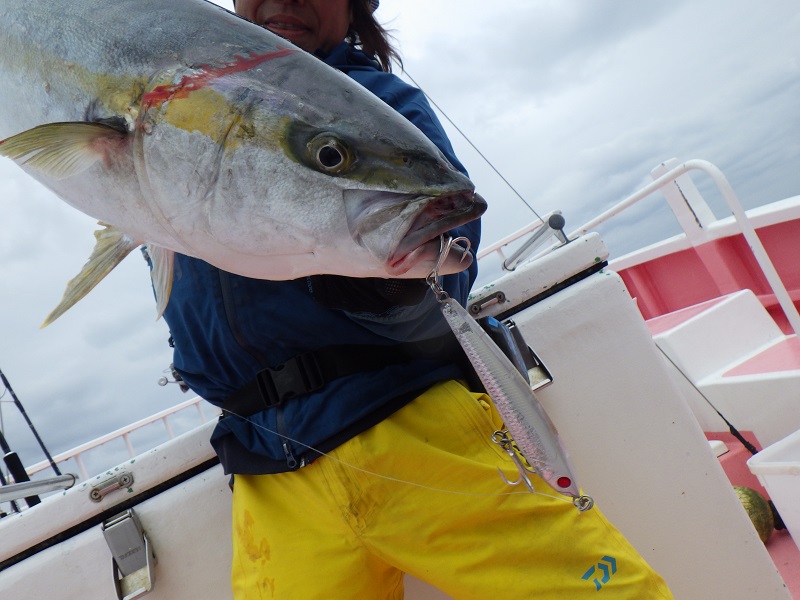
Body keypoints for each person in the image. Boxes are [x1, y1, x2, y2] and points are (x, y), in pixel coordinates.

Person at [160, 0, 674, 597]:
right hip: (268, 469)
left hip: (412, 426)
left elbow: (446, 250)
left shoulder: (377, 101)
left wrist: (365, 268)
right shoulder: (174, 113)